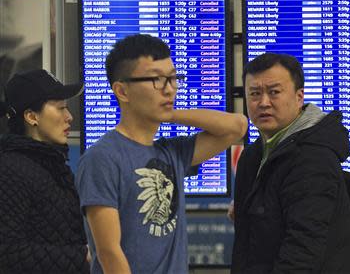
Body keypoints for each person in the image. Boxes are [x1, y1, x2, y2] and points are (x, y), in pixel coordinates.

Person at [75, 34, 248, 274]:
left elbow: (237, 127)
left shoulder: (171, 152)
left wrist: (171, 114)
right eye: (157, 79)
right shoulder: (102, 158)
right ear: (122, 91)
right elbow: (109, 252)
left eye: (173, 78)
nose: (169, 89)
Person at [231, 53, 350, 273]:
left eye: (274, 92)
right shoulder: (253, 156)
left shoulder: (313, 158)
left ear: (299, 97)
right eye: (254, 93)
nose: (263, 103)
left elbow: (303, 251)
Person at [0, 69, 90, 273]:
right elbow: (7, 252)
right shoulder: (10, 170)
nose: (70, 117)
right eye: (60, 109)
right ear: (32, 117)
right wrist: (84, 257)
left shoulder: (51, 164)